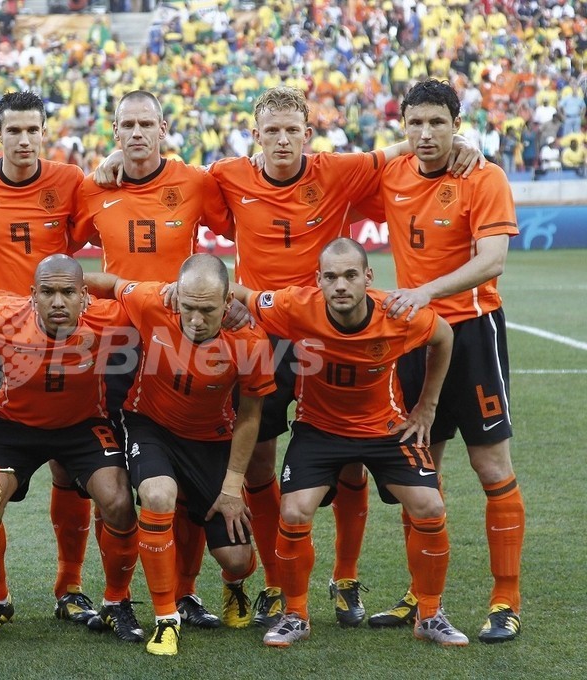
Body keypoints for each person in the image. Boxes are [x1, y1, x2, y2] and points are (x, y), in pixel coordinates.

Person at [95, 86, 479, 628]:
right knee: (257, 461)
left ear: (307, 134)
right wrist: (120, 156)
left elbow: (402, 150)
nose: (281, 140)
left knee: (351, 455)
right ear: (255, 136)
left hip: (329, 330)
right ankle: (275, 585)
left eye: (291, 130)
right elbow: (166, 176)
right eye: (271, 131)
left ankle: (345, 579)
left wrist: (458, 142)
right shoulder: (227, 175)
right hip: (264, 332)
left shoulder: (337, 169)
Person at [233, 238, 464, 648]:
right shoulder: (294, 305)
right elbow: (244, 295)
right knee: (294, 510)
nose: (341, 285)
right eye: (331, 277)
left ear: (368, 277)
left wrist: (426, 406)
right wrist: (192, 292)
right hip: (319, 429)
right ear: (318, 280)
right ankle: (295, 615)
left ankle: (430, 614)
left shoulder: (397, 314)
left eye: (350, 275)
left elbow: (443, 336)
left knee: (430, 506)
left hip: (384, 429)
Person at [363, 79, 524, 644]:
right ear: (402, 127)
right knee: (418, 473)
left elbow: (492, 260)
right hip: (415, 338)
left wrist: (426, 291)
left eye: (438, 122)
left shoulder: (484, 176)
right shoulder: (392, 173)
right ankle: (421, 596)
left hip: (473, 333)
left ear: (457, 124)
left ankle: (506, 600)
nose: (426, 133)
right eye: (416, 123)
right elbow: (330, 182)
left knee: (491, 468)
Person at [73, 90, 235, 630]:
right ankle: (115, 598)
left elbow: (241, 221)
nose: (138, 132)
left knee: (180, 479)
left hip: (184, 343)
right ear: (114, 131)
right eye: (128, 125)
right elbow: (61, 244)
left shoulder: (196, 182)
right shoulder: (93, 187)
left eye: (147, 123)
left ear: (164, 128)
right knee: (113, 478)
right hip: (116, 347)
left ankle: (184, 593)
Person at [0, 255, 142, 644]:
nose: (58, 302)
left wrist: (235, 312)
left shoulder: (110, 316)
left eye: (68, 292)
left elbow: (168, 312)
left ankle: (116, 602)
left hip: (83, 426)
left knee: (119, 502)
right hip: (14, 427)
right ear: (32, 295)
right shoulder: (0, 315)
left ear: (84, 295)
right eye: (48, 292)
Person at [0, 91, 97, 634]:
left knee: (69, 469)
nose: (25, 140)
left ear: (44, 132)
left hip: (59, 342)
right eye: (15, 131)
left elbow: (99, 221)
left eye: (33, 130)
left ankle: (69, 588)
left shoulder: (70, 180)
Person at [84, 254, 274, 655]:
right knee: (157, 496)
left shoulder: (251, 341)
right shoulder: (153, 300)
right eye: (188, 307)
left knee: (237, 557)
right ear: (176, 295)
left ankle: (234, 584)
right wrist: (66, 285)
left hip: (211, 438)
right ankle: (166, 618)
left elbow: (249, 416)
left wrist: (232, 487)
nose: (196, 320)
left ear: (228, 302)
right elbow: (110, 282)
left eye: (208, 310)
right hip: (149, 424)